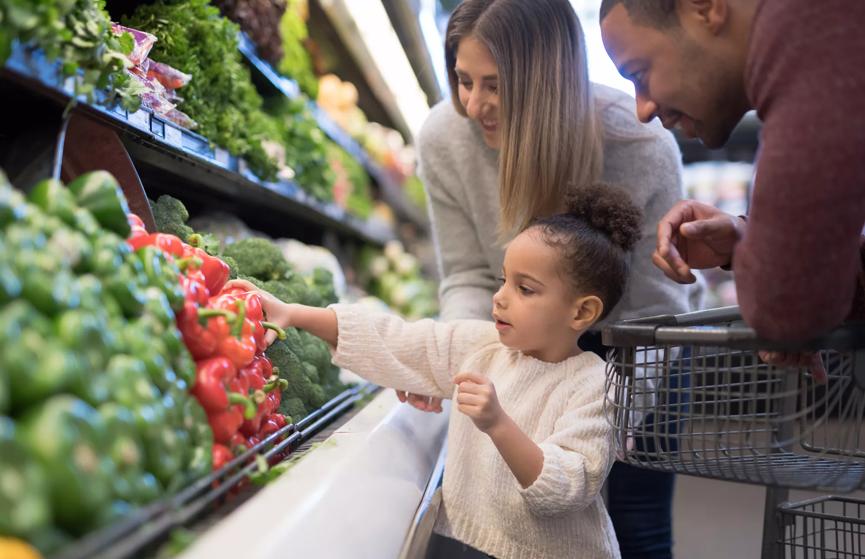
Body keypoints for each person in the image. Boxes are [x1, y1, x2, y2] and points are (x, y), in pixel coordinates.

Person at [401, 1, 702, 557]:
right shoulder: (445, 137)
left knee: (635, 524)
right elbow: (468, 274)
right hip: (522, 339)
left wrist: (615, 420)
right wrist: (452, 361)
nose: (473, 103)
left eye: (495, 85)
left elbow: (654, 307)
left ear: (547, 82)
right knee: (513, 520)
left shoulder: (638, 146)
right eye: (463, 79)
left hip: (634, 348)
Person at [231, 183, 642, 559]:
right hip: (470, 545)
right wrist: (295, 313)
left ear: (582, 311)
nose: (499, 298)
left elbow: (563, 489)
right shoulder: (482, 347)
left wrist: (498, 423)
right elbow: (398, 340)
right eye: (503, 280)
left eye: (525, 288)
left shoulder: (595, 386)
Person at [599, 0, 865, 342]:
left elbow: (787, 311)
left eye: (639, 74)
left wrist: (780, 279)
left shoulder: (810, 38)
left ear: (704, 8)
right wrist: (746, 241)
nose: (643, 110)